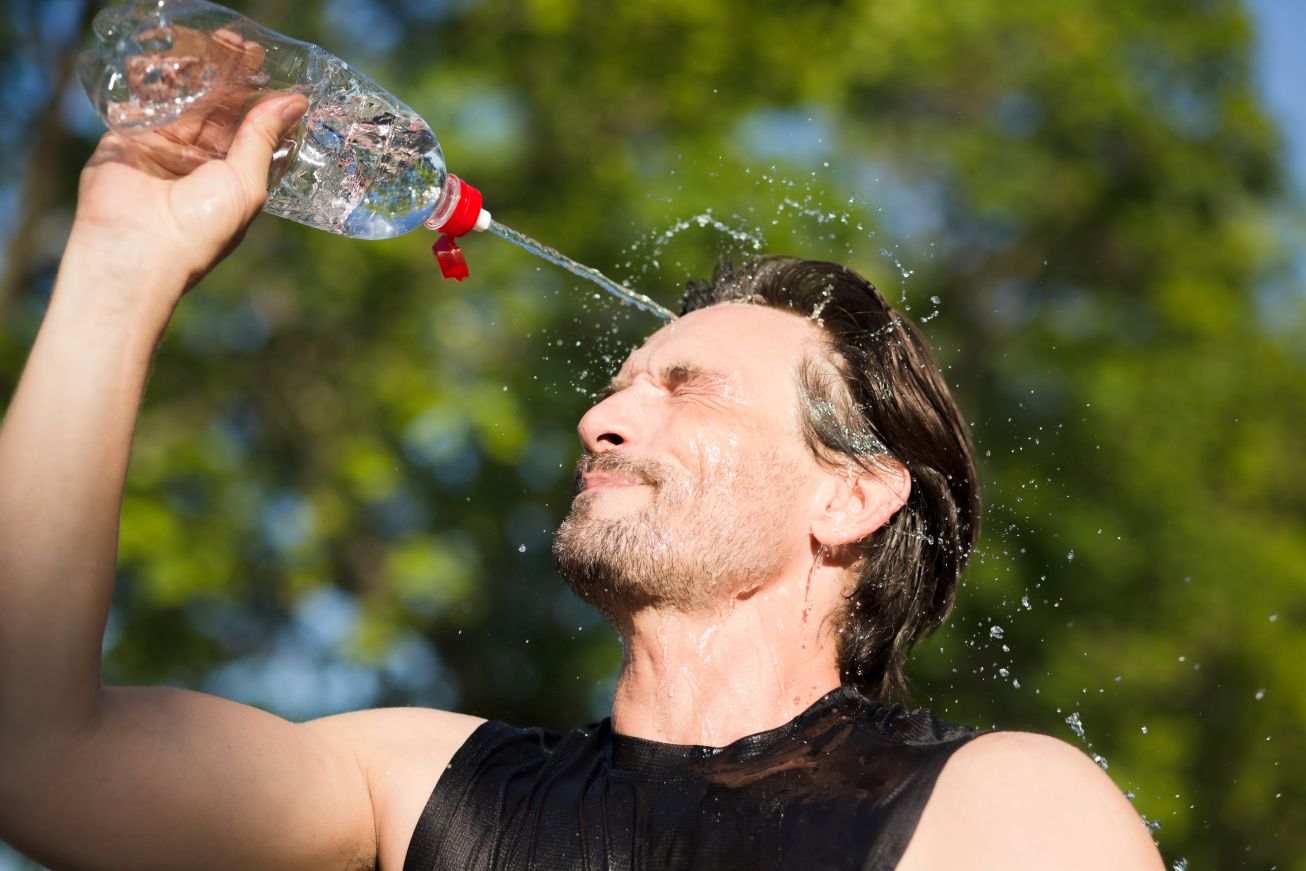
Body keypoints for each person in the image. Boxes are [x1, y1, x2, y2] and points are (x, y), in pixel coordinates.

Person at [0, 91, 1164, 871]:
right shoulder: (422, 788)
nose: (600, 417)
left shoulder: (997, 810)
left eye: (686, 386)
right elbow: (37, 760)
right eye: (618, 385)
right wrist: (118, 265)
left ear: (849, 498)